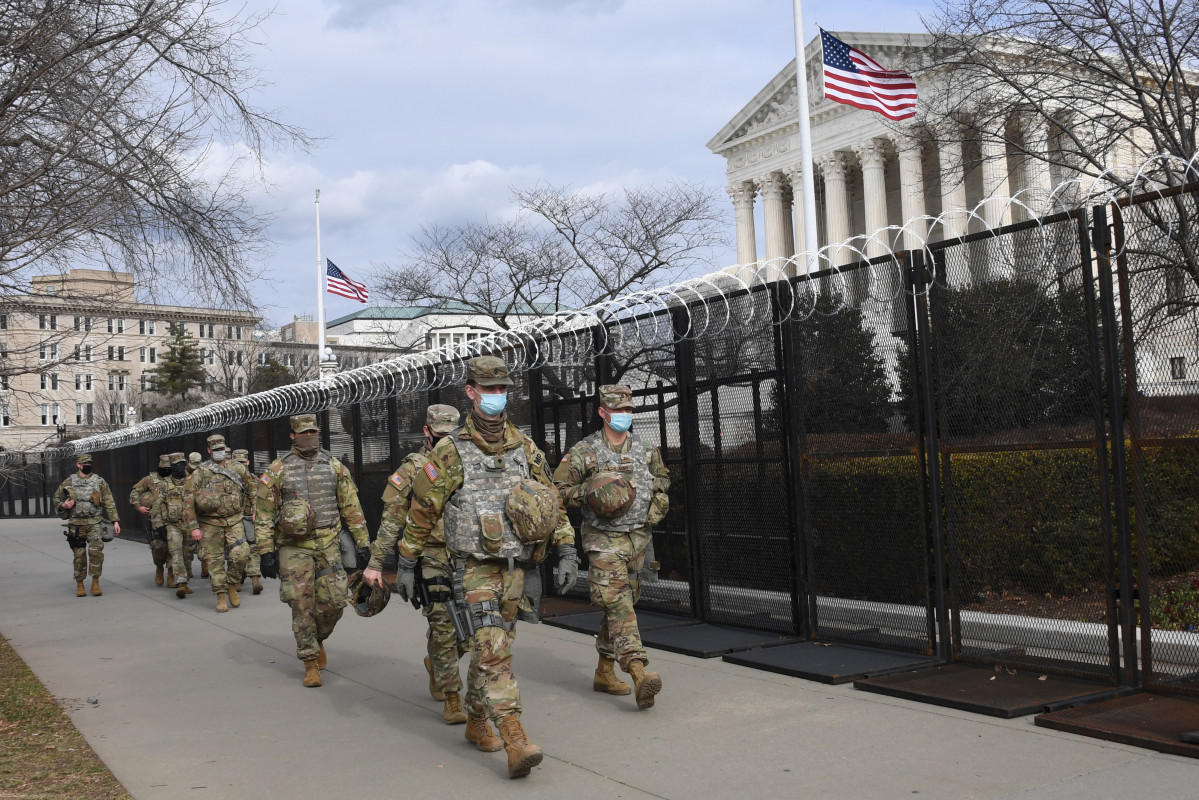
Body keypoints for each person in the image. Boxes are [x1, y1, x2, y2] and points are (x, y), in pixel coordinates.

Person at [396, 356, 577, 779]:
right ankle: (515, 736)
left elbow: (550, 502)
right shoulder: (451, 449)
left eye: (502, 390)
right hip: (473, 568)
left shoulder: (525, 447)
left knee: (491, 651)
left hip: (517, 568)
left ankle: (478, 717)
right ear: (471, 392)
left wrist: (566, 548)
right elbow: (423, 510)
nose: (496, 397)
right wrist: (405, 562)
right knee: (494, 651)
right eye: (488, 389)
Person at [553, 384, 670, 710]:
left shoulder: (645, 448)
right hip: (603, 541)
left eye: (628, 411)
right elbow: (557, 490)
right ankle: (638, 670)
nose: (623, 416)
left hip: (638, 540)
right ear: (603, 412)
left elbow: (662, 481)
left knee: (623, 601)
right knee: (620, 604)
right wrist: (591, 492)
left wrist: (656, 510)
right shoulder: (584, 452)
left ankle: (605, 671)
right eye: (617, 411)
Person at [363, 404, 467, 725]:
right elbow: (392, 519)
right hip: (430, 556)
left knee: (471, 631)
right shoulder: (414, 468)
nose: (447, 442)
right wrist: (377, 563)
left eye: (453, 435)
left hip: (467, 555)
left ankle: (436, 660)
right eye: (441, 436)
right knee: (444, 625)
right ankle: (452, 697)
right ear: (427, 432)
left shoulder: (468, 461)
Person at [255, 414, 370, 688]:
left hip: (329, 543)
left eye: (313, 432)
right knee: (301, 603)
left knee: (334, 602)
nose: (309, 437)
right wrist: (264, 551)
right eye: (303, 432)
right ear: (293, 436)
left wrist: (363, 542)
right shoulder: (278, 470)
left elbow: (351, 506)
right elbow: (263, 513)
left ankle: (317, 638)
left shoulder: (333, 466)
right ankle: (309, 661)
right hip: (294, 548)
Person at [191, 434, 254, 613]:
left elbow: (252, 489)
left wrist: (254, 511)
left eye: (222, 449)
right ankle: (220, 594)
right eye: (216, 450)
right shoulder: (201, 472)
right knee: (214, 560)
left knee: (241, 554)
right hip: (209, 522)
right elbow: (187, 500)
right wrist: (193, 526)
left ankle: (232, 584)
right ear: (209, 450)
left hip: (234, 520)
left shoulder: (237, 468)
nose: (219, 453)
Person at [53, 454, 121, 596]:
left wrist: (115, 521)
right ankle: (80, 584)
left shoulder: (99, 481)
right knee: (79, 555)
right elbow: (56, 497)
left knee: (96, 553)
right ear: (78, 464)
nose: (88, 465)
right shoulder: (70, 481)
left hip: (95, 522)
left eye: (90, 462)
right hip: (76, 524)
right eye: (85, 463)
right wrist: (63, 505)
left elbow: (109, 500)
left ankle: (95, 582)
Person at [151, 452, 201, 599]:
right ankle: (181, 584)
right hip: (172, 525)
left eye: (181, 464)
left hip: (189, 525)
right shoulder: (163, 485)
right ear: (171, 467)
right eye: (176, 465)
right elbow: (156, 506)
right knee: (176, 553)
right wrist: (159, 525)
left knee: (187, 555)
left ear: (185, 464)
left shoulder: (192, 482)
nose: (179, 467)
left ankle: (185, 580)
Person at [129, 454, 171, 587]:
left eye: (168, 467)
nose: (166, 469)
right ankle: (159, 567)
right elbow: (134, 493)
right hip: (156, 518)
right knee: (159, 547)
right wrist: (138, 506)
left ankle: (171, 572)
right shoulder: (150, 479)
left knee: (174, 547)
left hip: (173, 518)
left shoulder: (176, 478)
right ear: (159, 465)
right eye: (164, 467)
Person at [232, 449, 264, 596]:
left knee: (253, 547)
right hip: (234, 520)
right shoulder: (228, 482)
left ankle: (255, 579)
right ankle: (237, 577)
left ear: (248, 462)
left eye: (243, 463)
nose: (241, 466)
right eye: (238, 463)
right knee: (237, 550)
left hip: (250, 518)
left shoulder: (256, 481)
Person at [187, 451, 207, 578]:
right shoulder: (182, 476)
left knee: (205, 544)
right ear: (188, 463)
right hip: (189, 513)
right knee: (188, 546)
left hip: (203, 513)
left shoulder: (204, 473)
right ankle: (187, 571)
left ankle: (205, 566)